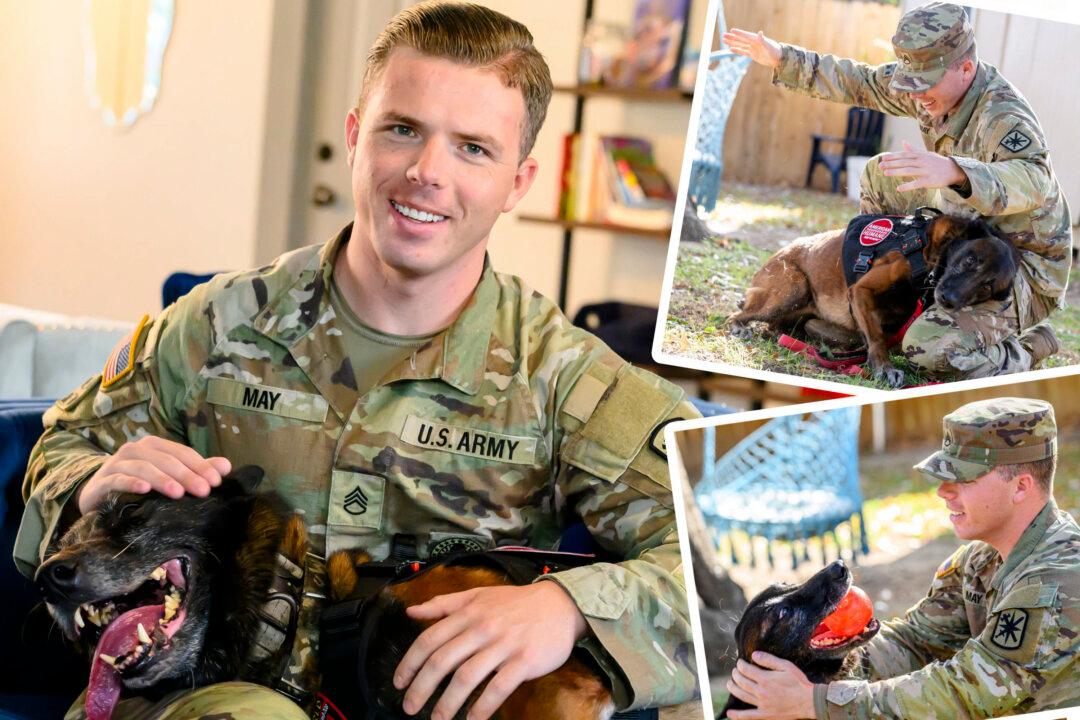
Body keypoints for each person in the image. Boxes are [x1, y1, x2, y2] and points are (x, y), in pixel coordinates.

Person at [14, 3, 699, 719]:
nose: (427, 172)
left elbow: (733, 555)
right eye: (402, 130)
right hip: (202, 694)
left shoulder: (561, 379)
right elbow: (65, 444)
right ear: (353, 136)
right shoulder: (217, 326)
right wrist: (88, 485)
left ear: (518, 183)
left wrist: (569, 609)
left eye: (473, 148)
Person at [723, 2, 1072, 380]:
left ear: (966, 68)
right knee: (882, 173)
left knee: (927, 349)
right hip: (971, 231)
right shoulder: (929, 84)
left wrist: (956, 171)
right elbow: (862, 81)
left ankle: (1028, 347)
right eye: (911, 82)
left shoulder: (1002, 115)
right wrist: (782, 57)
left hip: (1017, 266)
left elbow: (1036, 179)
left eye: (926, 83)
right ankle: (873, 298)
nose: (917, 94)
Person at [726, 397, 1080, 719]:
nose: (943, 491)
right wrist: (797, 665)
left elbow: (969, 690)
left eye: (963, 478)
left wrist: (816, 701)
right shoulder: (979, 560)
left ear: (1020, 486)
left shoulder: (1060, 577)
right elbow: (916, 642)